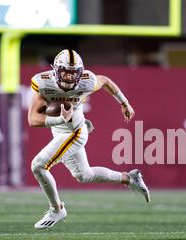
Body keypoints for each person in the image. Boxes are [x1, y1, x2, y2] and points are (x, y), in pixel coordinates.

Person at [28, 49, 151, 229]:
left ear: (80, 73)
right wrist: (60, 119)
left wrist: (124, 103)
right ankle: (129, 178)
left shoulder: (87, 81)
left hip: (75, 132)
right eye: (65, 72)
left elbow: (105, 81)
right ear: (55, 70)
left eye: (73, 73)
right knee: (84, 175)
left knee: (38, 165)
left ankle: (56, 209)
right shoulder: (44, 83)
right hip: (60, 128)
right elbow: (33, 119)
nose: (69, 77)